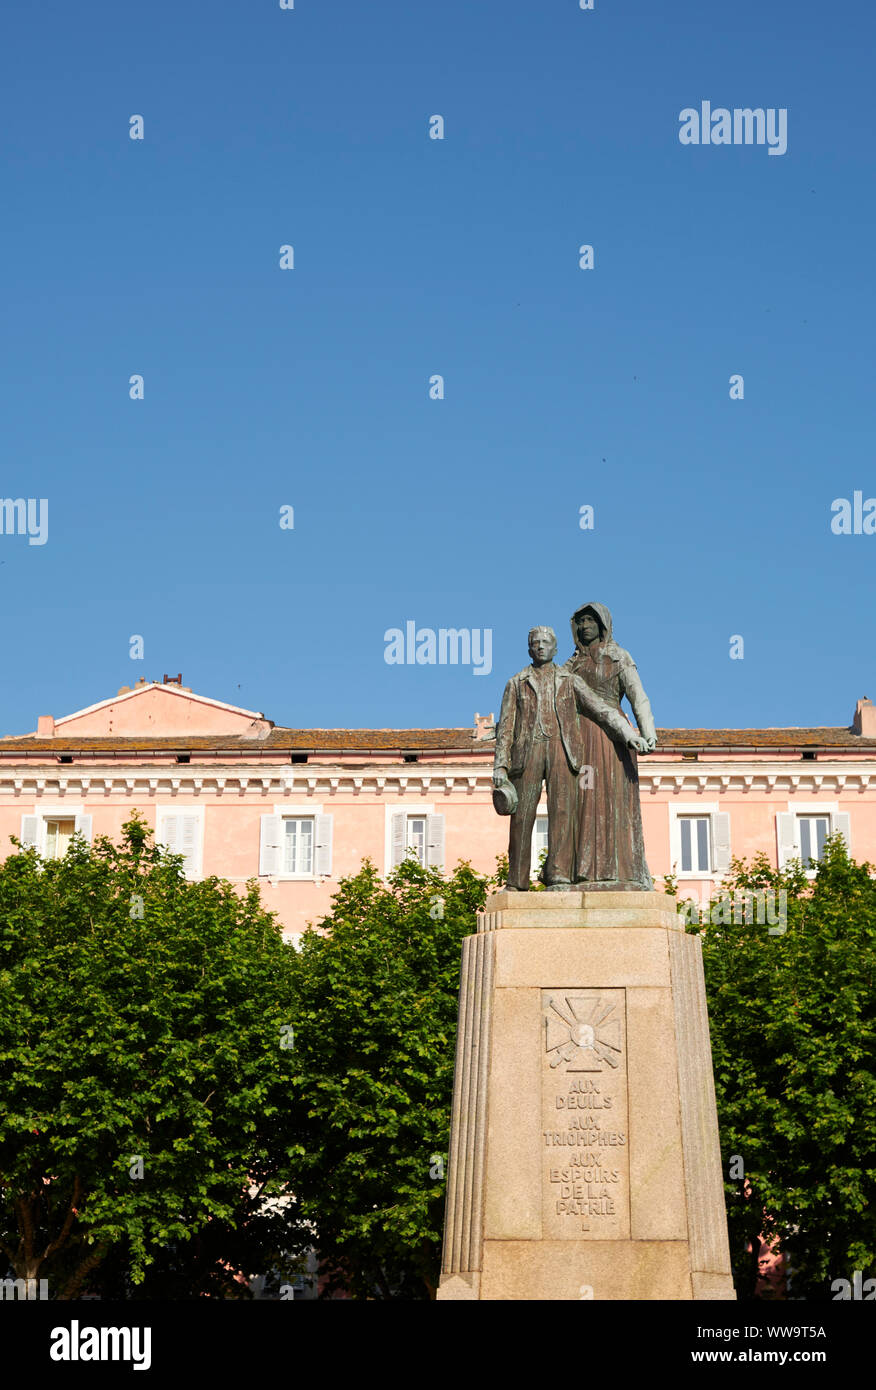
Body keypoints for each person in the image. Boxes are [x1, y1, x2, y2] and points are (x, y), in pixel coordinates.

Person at [493, 625, 647, 891]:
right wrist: (500, 767)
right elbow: (505, 728)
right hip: (527, 753)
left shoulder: (570, 679)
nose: (540, 646)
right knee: (522, 818)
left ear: (555, 648)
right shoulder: (515, 683)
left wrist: (629, 734)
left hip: (562, 752)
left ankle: (559, 875)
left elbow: (601, 709)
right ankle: (516, 882)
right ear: (529, 648)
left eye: (545, 642)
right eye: (535, 642)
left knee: (562, 814)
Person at [564, 602, 656, 890]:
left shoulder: (619, 657)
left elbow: (637, 695)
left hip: (615, 739)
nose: (585, 626)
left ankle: (623, 870)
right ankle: (581, 871)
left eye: (590, 620)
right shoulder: (571, 664)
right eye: (580, 622)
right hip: (580, 736)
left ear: (603, 624)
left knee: (615, 803)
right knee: (582, 801)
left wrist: (648, 731)